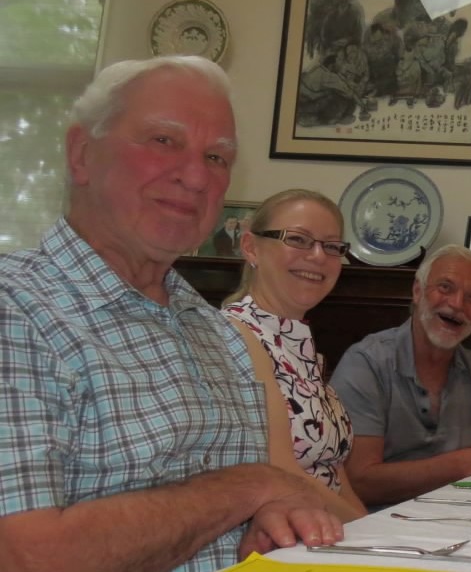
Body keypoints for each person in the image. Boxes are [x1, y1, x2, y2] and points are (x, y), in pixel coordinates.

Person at [0, 56, 340, 572]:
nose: (196, 176)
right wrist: (252, 486)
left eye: (217, 157)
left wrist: (274, 517)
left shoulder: (221, 336)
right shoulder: (16, 309)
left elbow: (249, 522)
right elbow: (27, 556)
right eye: (163, 140)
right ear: (81, 154)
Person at [331, 245, 471, 507]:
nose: (457, 304)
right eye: (445, 287)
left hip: (457, 518)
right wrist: (466, 463)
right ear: (417, 291)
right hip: (377, 523)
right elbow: (358, 482)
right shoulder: (366, 363)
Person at [221, 189, 367, 522]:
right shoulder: (234, 336)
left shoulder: (300, 346)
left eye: (332, 246)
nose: (318, 256)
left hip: (328, 530)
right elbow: (282, 473)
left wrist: (379, 535)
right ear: (251, 247)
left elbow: (333, 469)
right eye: (298, 239)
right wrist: (368, 533)